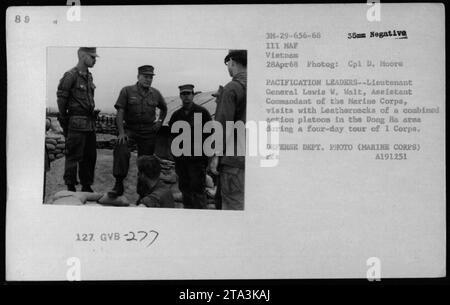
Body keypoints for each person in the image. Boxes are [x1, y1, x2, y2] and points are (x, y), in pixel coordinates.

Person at [110, 65, 168, 196]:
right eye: (145, 77)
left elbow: (164, 108)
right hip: (130, 129)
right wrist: (121, 133)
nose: (148, 80)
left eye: (150, 77)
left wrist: (159, 122)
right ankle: (118, 183)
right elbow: (120, 111)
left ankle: (143, 192)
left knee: (146, 161)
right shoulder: (127, 91)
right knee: (121, 146)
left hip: (148, 131)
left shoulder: (156, 93)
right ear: (138, 76)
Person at [57, 47, 99, 192]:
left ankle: (86, 185)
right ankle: (70, 185)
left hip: (89, 122)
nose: (94, 60)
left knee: (90, 156)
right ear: (82, 55)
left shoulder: (89, 76)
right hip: (76, 121)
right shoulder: (70, 75)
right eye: (92, 57)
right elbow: (62, 98)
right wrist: (64, 118)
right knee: (73, 155)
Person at [209, 50, 247, 210]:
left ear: (231, 61)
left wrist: (216, 156)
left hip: (233, 160)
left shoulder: (232, 88)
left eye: (227, 64)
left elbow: (223, 125)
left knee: (232, 206)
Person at [168, 84, 212, 209]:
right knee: (185, 189)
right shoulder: (176, 115)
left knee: (198, 190)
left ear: (193, 95)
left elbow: (210, 135)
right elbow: (172, 137)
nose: (186, 96)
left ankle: (200, 217)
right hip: (182, 160)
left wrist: (207, 158)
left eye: (189, 94)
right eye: (184, 94)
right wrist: (175, 155)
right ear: (180, 96)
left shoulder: (202, 113)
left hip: (197, 160)